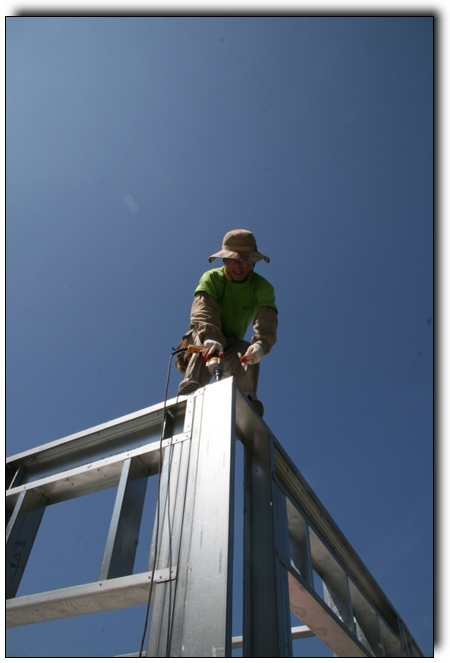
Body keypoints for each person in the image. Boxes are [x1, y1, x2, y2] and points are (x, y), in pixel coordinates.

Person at [175, 229, 278, 417]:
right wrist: (210, 337)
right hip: (203, 338)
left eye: (245, 260)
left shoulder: (262, 287)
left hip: (231, 344)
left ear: (253, 262)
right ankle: (191, 389)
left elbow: (267, 318)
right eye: (232, 259)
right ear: (224, 260)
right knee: (206, 338)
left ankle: (246, 401)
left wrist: (261, 344)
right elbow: (203, 310)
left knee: (246, 350)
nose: (238, 265)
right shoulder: (212, 278)